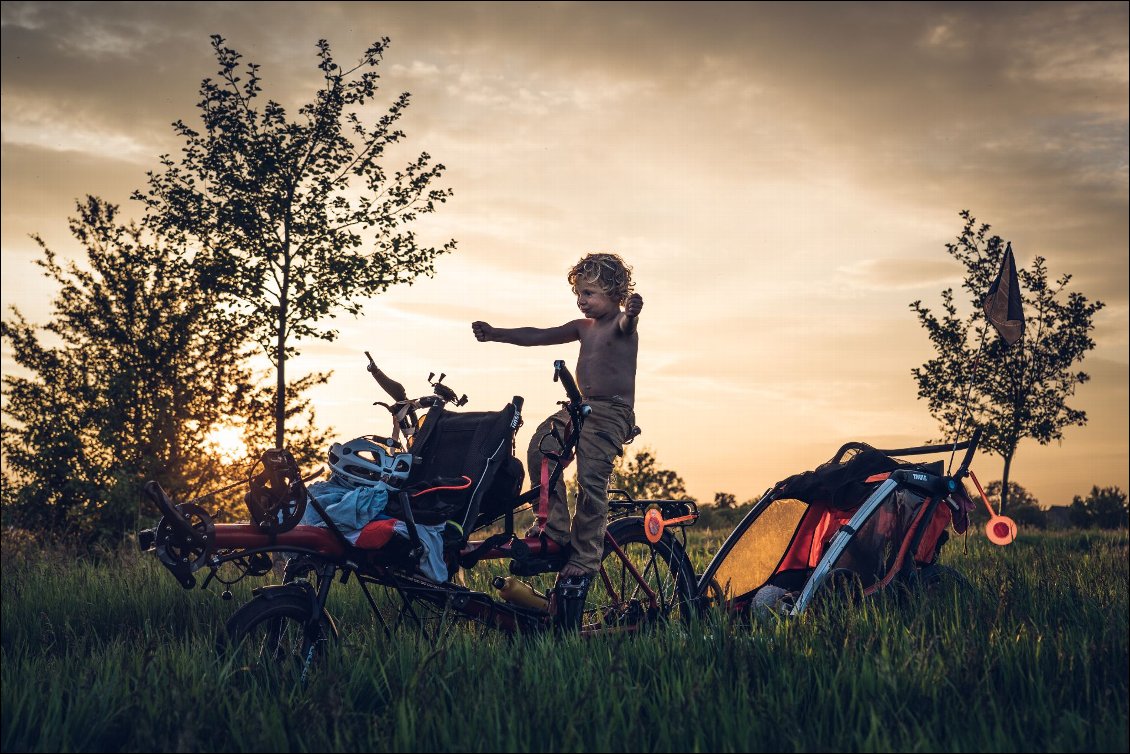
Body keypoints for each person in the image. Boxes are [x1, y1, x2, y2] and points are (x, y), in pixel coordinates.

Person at [471, 252, 642, 626]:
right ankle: (555, 527)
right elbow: (539, 335)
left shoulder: (619, 324)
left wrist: (632, 312)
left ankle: (584, 557)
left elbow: (628, 324)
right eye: (579, 293)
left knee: (592, 479)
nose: (582, 300)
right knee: (541, 446)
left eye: (591, 293)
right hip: (580, 407)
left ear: (615, 294)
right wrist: (497, 333)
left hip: (611, 412)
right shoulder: (583, 327)